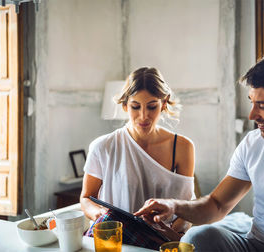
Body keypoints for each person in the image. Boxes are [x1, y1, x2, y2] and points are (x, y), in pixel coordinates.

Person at [135, 52, 264, 251]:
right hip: (254, 246)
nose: (252, 115)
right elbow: (216, 205)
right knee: (197, 237)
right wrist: (173, 206)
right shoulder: (253, 144)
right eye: (252, 103)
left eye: (262, 106)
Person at [80, 67, 195, 241]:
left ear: (164, 104)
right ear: (125, 105)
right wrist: (101, 215)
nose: (143, 116)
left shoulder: (182, 147)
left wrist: (173, 234)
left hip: (162, 240)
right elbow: (86, 198)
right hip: (116, 238)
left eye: (152, 107)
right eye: (135, 107)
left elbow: (187, 208)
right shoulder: (102, 147)